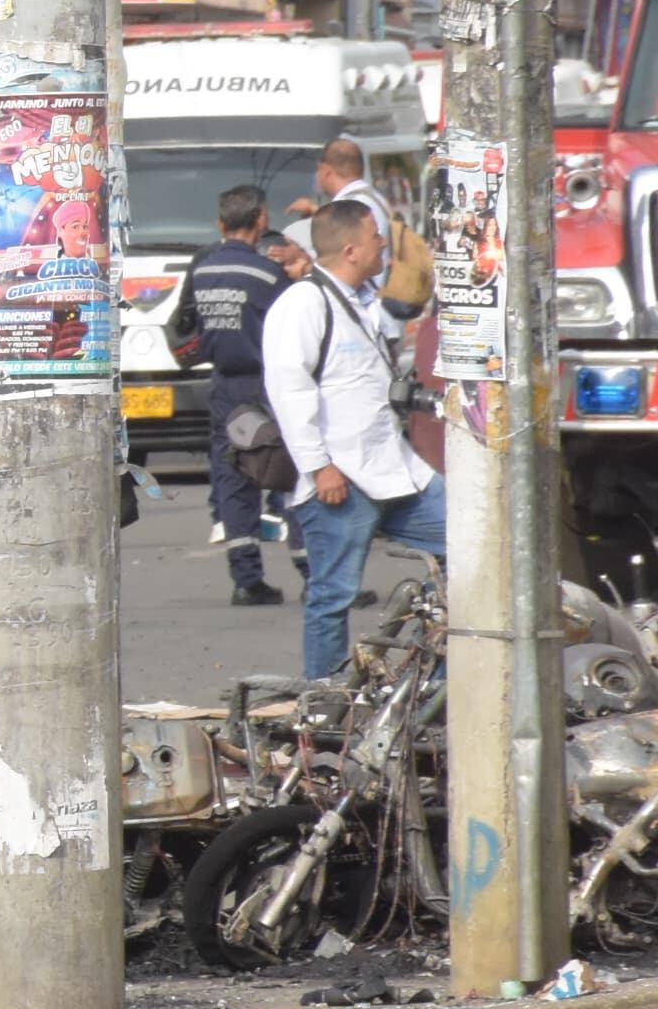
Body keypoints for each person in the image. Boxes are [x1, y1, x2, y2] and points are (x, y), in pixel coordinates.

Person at [265, 197, 447, 677]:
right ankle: (325, 701)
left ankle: (437, 679)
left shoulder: (367, 301)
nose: (383, 244)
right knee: (333, 596)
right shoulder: (304, 303)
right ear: (350, 249)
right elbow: (288, 389)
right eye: (375, 236)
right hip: (340, 477)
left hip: (396, 468)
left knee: (470, 549)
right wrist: (318, 465)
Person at [165, 182, 295, 609]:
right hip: (267, 384)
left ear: (220, 223)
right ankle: (315, 573)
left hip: (223, 386)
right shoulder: (268, 274)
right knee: (289, 475)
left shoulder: (202, 269)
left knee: (233, 476)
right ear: (262, 220)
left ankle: (246, 579)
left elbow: (186, 325)